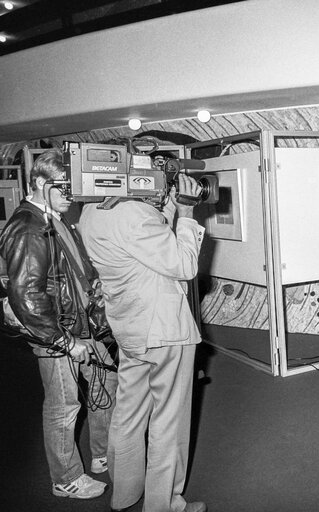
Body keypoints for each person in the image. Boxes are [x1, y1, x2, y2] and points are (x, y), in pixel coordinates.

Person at [78, 174, 206, 512]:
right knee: (168, 420)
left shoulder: (90, 211)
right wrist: (188, 214)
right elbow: (184, 264)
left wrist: (167, 212)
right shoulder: (137, 216)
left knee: (128, 413)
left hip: (129, 328)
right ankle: (164, 504)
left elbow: (145, 241)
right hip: (164, 330)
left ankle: (124, 494)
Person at [0, 148, 117, 499]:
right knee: (64, 406)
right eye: (63, 187)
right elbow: (27, 296)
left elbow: (70, 272)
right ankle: (65, 479)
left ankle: (102, 455)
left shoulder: (54, 219)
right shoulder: (27, 226)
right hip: (57, 333)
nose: (70, 196)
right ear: (39, 182)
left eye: (72, 188)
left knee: (105, 388)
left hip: (81, 324)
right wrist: (64, 341)